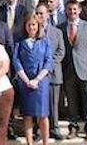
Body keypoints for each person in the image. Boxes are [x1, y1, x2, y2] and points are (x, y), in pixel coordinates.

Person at [59, 0, 87, 142]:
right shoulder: (60, 28)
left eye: (75, 9)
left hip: (85, 69)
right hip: (68, 71)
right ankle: (73, 127)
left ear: (79, 10)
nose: (72, 12)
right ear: (66, 10)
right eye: (69, 9)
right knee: (71, 102)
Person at [12, 15, 54, 145]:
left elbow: (48, 61)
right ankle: (30, 143)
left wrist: (36, 80)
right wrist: (26, 80)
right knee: (27, 114)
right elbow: (16, 61)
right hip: (25, 82)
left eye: (34, 24)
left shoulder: (45, 41)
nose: (31, 27)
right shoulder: (20, 42)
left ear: (38, 26)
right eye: (29, 24)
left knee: (42, 115)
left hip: (41, 83)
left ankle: (45, 142)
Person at [34, 2, 66, 140]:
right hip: (37, 74)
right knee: (38, 103)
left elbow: (61, 51)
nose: (40, 16)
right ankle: (38, 130)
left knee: (53, 103)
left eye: (42, 13)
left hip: (52, 73)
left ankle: (54, 128)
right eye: (37, 13)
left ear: (48, 14)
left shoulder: (57, 31)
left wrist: (48, 67)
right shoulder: (32, 30)